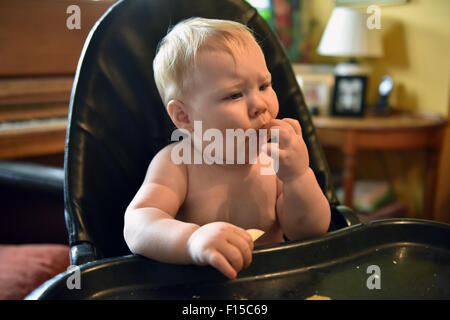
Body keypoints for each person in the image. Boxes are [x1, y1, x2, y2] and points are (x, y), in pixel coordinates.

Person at [123, 17, 330, 280]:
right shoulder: (178, 163)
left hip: (276, 284)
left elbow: (310, 231)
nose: (260, 105)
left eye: (264, 86)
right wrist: (191, 241)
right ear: (184, 116)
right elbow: (137, 225)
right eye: (234, 95)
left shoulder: (274, 160)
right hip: (205, 289)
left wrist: (298, 176)